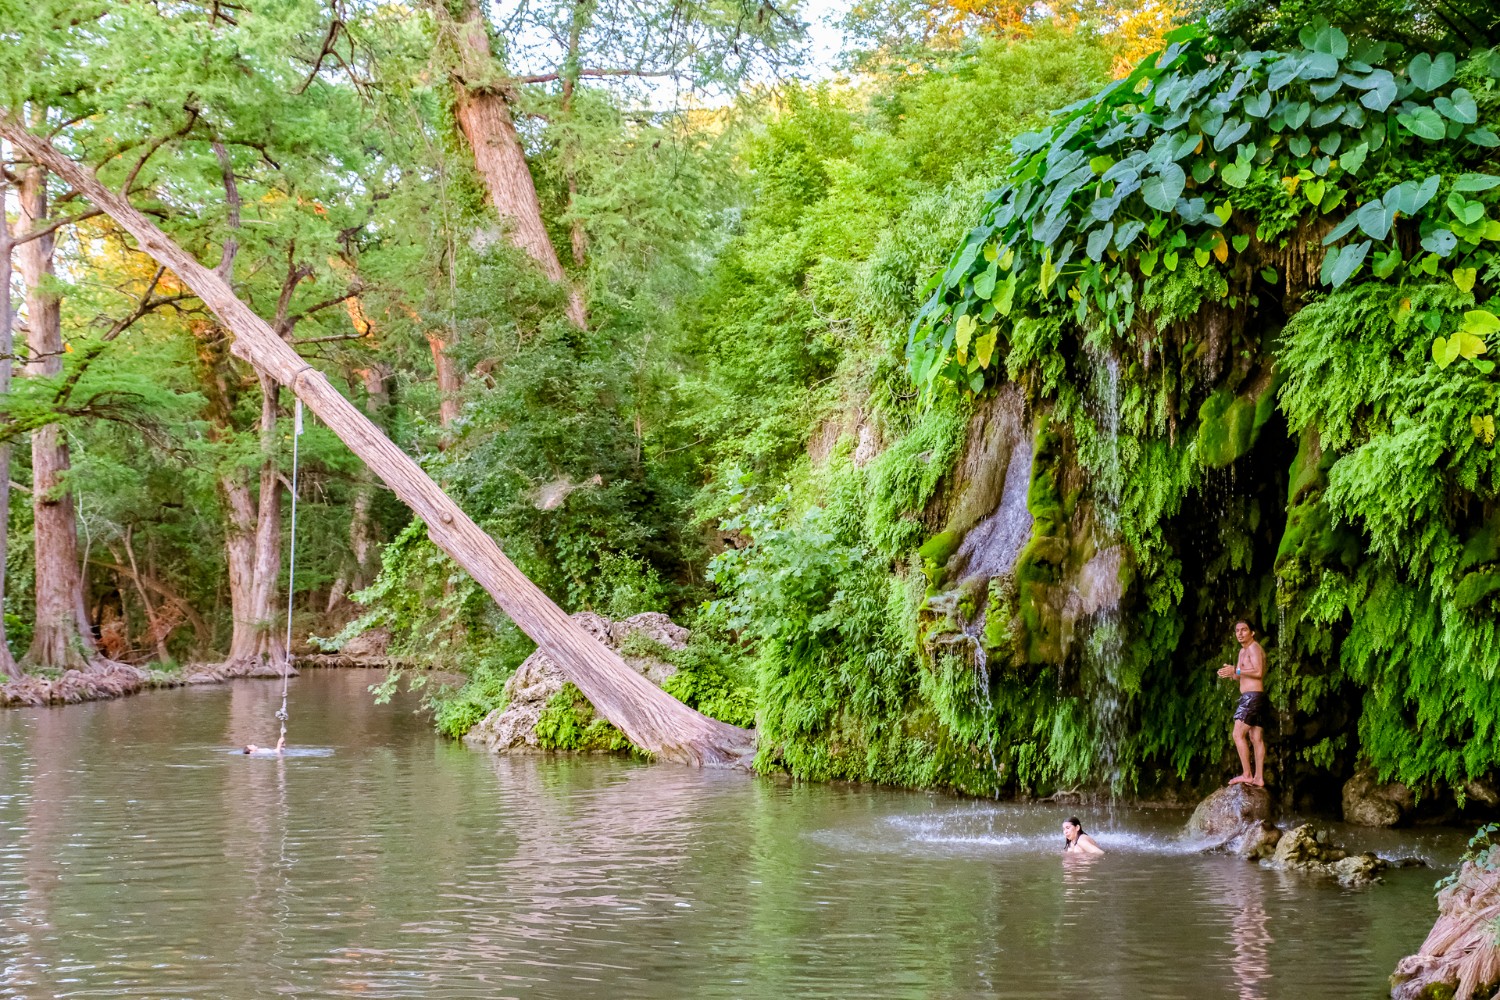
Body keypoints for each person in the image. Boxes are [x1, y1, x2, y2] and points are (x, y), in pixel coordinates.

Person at [1216, 620, 1270, 787]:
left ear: (1252, 632)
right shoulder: (1242, 652)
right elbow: (1239, 676)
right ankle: (1259, 778)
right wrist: (1229, 672)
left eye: (1244, 630)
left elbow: (1258, 672)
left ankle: (1247, 774)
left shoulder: (1254, 648)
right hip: (1256, 697)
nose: (1239, 633)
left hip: (1252, 697)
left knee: (1237, 734)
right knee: (1255, 737)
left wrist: (1236, 670)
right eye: (1237, 630)